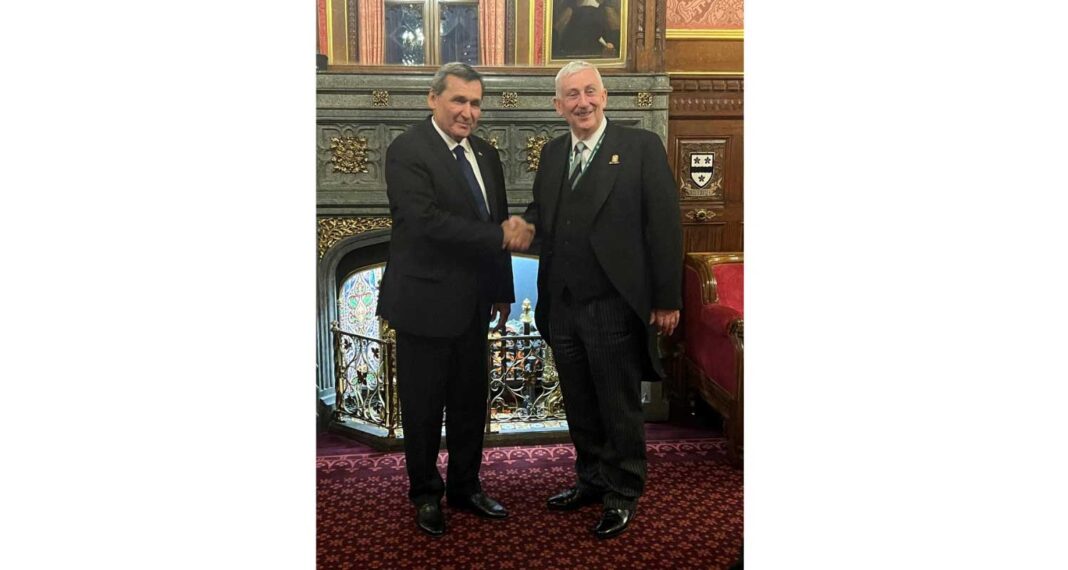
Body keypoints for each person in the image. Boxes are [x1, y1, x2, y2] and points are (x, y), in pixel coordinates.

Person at [522, 60, 683, 539]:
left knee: (617, 404)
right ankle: (590, 480)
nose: (583, 102)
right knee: (579, 402)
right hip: (562, 304)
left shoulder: (640, 147)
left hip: (613, 302)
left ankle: (623, 491)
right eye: (572, 95)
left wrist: (667, 298)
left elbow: (664, 227)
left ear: (605, 95)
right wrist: (522, 226)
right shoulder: (553, 153)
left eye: (590, 91)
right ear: (558, 106)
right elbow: (543, 214)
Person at [376, 62, 535, 537]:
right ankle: (426, 493)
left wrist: (503, 290)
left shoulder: (486, 153)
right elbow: (425, 222)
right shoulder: (408, 150)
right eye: (459, 100)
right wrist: (498, 235)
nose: (468, 112)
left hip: (474, 304)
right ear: (433, 99)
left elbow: (496, 217)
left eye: (476, 103)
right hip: (423, 304)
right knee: (423, 408)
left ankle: (466, 486)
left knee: (470, 404)